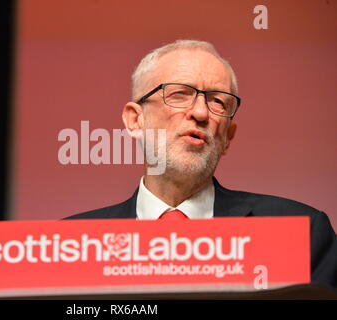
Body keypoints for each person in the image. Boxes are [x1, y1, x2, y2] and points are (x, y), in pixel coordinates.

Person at [64, 40, 337, 290]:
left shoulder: (300, 235)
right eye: (180, 94)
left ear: (228, 136)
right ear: (136, 120)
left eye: (217, 100)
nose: (201, 113)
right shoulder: (69, 246)